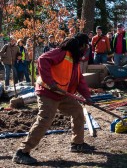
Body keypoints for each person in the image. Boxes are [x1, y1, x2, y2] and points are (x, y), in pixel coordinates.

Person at [12, 33, 94, 165]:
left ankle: (77, 144)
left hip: (61, 93)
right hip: (47, 92)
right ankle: (22, 152)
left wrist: (88, 97)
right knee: (45, 119)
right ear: (81, 45)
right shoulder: (62, 53)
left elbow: (80, 81)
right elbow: (42, 59)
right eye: (85, 46)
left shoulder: (74, 60)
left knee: (78, 110)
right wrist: (50, 82)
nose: (86, 49)